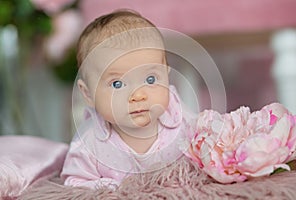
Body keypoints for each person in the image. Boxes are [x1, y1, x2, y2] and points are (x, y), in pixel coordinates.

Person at [61, 9, 196, 189]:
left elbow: (208, 145)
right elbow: (74, 182)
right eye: (117, 84)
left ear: (167, 75)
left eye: (151, 79)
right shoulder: (89, 141)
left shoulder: (180, 118)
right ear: (88, 94)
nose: (138, 96)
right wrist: (104, 188)